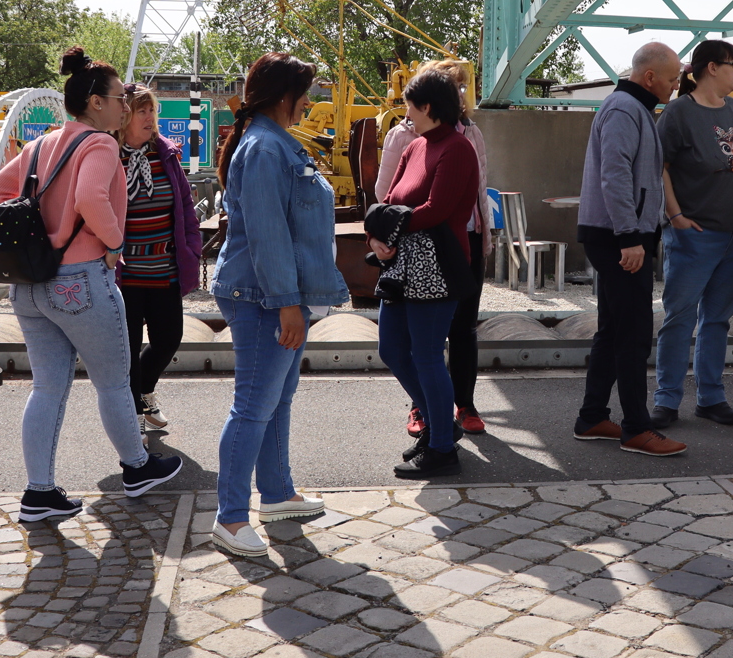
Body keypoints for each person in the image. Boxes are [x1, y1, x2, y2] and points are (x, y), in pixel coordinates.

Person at [0, 48, 182, 525]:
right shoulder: (99, 145)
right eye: (119, 98)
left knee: (47, 388)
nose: (124, 105)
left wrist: (44, 231)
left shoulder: (42, 145)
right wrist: (114, 241)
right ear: (96, 103)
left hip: (31, 284)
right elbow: (91, 197)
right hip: (80, 281)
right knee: (113, 381)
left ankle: (39, 492)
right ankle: (137, 467)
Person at [210, 52, 349, 557]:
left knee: (275, 400)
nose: (308, 103)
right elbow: (268, 234)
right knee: (253, 407)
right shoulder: (266, 148)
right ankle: (230, 518)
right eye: (304, 94)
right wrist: (288, 304)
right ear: (284, 96)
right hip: (264, 297)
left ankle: (276, 493)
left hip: (273, 294)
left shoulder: (268, 142)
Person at [573, 42, 688, 457]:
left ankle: (592, 417)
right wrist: (629, 237)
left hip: (616, 233)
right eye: (672, 79)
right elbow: (616, 174)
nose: (676, 85)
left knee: (613, 329)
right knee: (634, 333)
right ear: (650, 77)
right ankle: (637, 428)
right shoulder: (625, 109)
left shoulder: (630, 106)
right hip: (619, 236)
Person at [371, 69, 480, 479]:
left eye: (410, 107)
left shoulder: (458, 148)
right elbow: (388, 201)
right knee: (392, 349)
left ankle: (441, 450)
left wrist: (388, 226)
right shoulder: (415, 145)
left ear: (429, 106)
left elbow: (438, 209)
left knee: (428, 355)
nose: (406, 114)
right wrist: (375, 235)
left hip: (439, 267)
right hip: (403, 266)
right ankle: (439, 424)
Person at [653, 40, 733, 429]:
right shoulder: (679, 112)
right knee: (680, 317)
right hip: (695, 234)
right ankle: (667, 400)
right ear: (712, 68)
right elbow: (658, 165)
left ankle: (711, 397)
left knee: (718, 319)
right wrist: (675, 214)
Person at [116, 84, 203, 435]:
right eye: (142, 110)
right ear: (124, 116)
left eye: (152, 109)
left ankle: (143, 390)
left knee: (168, 340)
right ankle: (134, 416)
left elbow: (185, 206)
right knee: (128, 347)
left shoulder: (165, 154)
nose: (150, 117)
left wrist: (192, 249)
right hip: (125, 275)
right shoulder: (107, 155)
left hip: (164, 269)